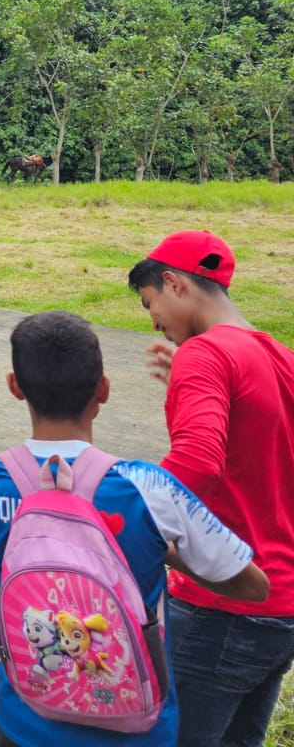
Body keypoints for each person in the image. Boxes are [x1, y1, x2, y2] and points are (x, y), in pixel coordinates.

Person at [0, 310, 269, 747]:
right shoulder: (148, 488)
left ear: (15, 387)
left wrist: (23, 547)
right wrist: (162, 551)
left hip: (22, 725)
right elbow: (253, 586)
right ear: (104, 389)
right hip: (137, 732)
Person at [128, 231, 294, 747]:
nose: (154, 321)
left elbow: (197, 462)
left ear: (174, 283)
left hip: (221, 604)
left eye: (150, 303)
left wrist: (118, 509)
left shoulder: (205, 355)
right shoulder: (279, 357)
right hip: (279, 605)